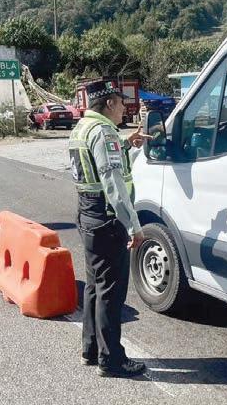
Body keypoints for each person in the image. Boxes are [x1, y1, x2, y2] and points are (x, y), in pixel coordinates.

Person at [67, 79, 152, 378]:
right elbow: (113, 182)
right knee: (111, 293)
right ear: (109, 103)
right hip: (107, 219)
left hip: (88, 214)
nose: (125, 107)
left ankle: (91, 349)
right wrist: (134, 226)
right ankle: (112, 360)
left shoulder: (82, 128)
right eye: (121, 101)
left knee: (95, 286)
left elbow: (96, 162)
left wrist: (125, 144)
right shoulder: (103, 132)